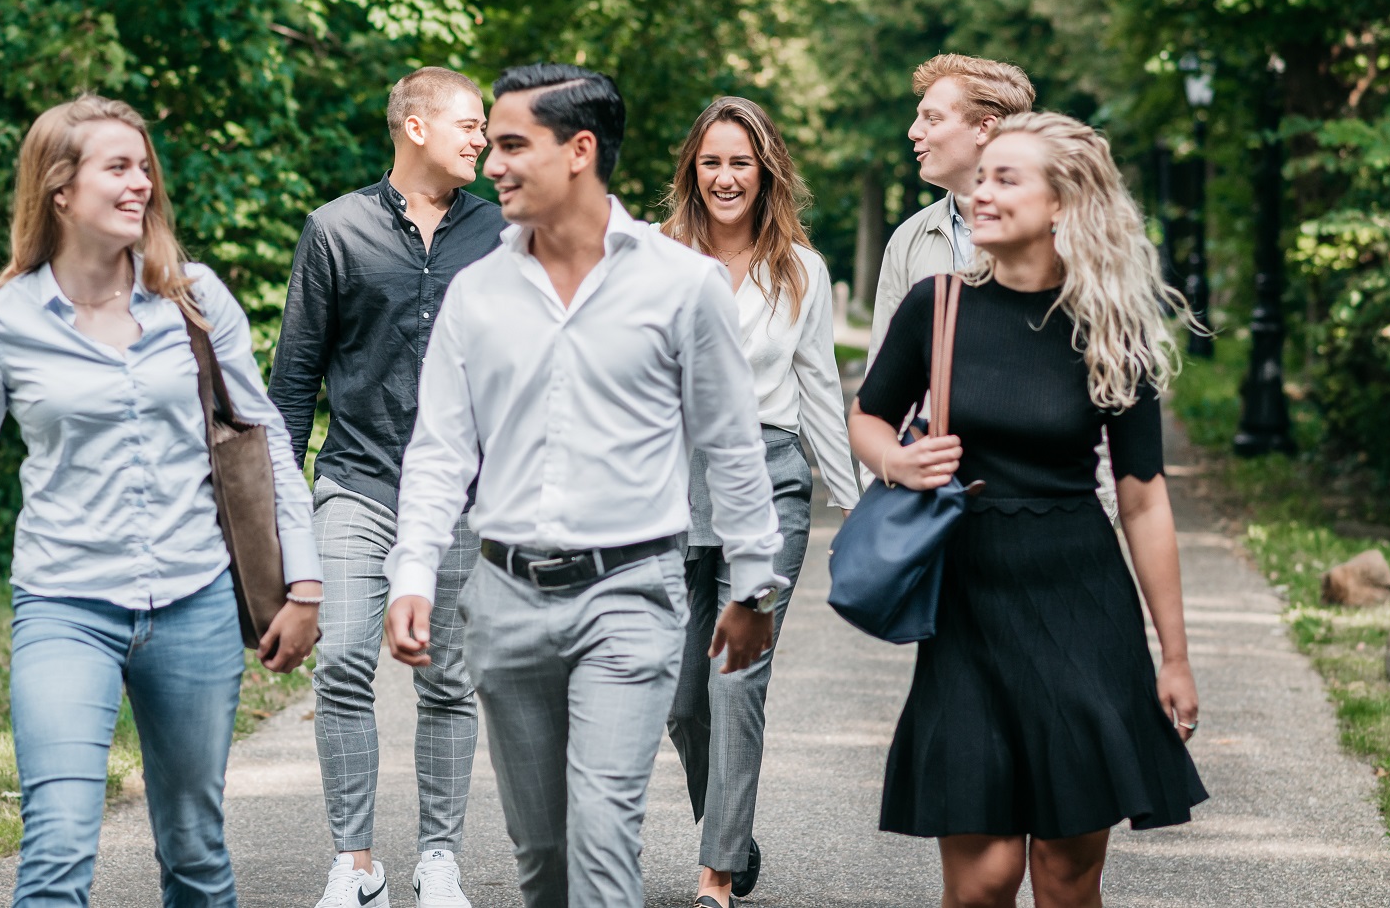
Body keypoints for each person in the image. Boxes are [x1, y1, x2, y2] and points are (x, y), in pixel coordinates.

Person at [0, 94, 323, 908]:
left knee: (193, 848)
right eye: (118, 167)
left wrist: (305, 585)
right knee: (55, 848)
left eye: (144, 166)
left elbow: (266, 445)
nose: (141, 183)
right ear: (59, 188)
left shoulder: (194, 299)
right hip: (63, 606)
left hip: (193, 604)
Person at [380, 64, 787, 908]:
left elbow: (733, 445)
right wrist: (412, 572)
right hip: (503, 601)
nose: (491, 163)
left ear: (580, 151)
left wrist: (754, 583)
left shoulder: (681, 286)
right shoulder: (476, 293)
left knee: (604, 841)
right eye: (490, 143)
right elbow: (441, 450)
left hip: (630, 595)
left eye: (512, 145)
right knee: (545, 860)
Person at [848, 111, 1207, 908]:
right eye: (983, 176)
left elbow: (1144, 498)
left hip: (1081, 605)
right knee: (983, 880)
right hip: (969, 609)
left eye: (1008, 178)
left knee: (1066, 875)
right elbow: (867, 415)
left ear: (1063, 204)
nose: (982, 192)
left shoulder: (1113, 329)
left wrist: (1174, 657)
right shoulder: (936, 306)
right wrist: (895, 460)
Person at [267, 68, 503, 908]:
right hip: (357, 483)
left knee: (447, 680)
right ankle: (354, 864)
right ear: (414, 127)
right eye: (470, 125)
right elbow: (293, 383)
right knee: (342, 664)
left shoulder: (504, 232)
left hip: (466, 500)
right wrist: (277, 523)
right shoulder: (335, 230)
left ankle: (438, 859)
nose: (483, 139)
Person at [658, 96, 859, 907]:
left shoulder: (800, 270)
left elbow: (818, 392)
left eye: (740, 161)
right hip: (673, 486)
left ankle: (715, 881)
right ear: (692, 171)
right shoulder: (656, 255)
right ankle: (732, 837)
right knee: (681, 702)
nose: (726, 176)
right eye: (712, 161)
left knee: (736, 681)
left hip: (770, 478)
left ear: (765, 168)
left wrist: (856, 508)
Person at [867, 54, 1035, 356]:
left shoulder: (1059, 233)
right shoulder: (907, 240)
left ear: (985, 128)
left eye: (933, 118)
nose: (913, 132)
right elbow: (883, 371)